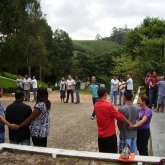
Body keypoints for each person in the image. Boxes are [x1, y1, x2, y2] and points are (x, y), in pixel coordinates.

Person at [94, 87, 133, 153]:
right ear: (105, 94)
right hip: (110, 135)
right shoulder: (108, 106)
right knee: (112, 156)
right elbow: (120, 116)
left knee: (103, 156)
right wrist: (129, 123)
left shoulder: (96, 105)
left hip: (100, 135)